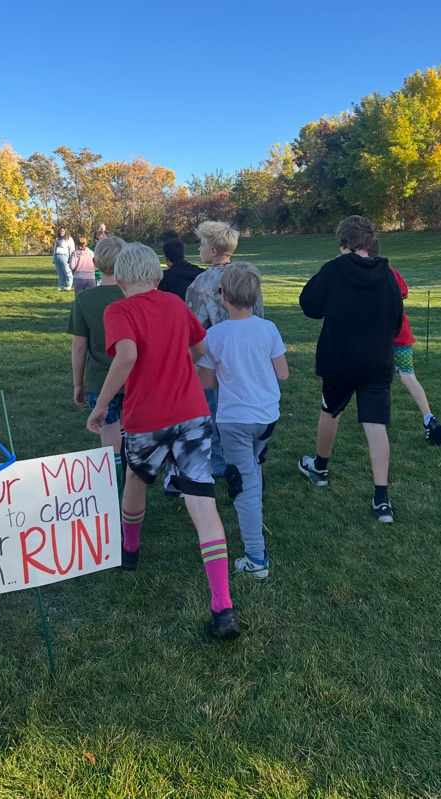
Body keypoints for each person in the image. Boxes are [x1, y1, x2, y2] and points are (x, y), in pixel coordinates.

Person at [87, 242, 240, 640]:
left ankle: (130, 552)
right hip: (192, 414)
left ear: (121, 280)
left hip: (146, 419)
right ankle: (222, 604)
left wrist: (101, 405)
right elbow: (200, 348)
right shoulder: (174, 303)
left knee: (135, 480)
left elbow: (126, 355)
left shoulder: (118, 310)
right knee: (202, 503)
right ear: (156, 276)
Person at [298, 215, 402, 523]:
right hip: (377, 360)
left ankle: (320, 467)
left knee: (330, 410)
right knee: (375, 423)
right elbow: (397, 320)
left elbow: (309, 304)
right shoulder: (387, 275)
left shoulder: (335, 269)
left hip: (340, 360)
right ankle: (381, 498)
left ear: (343, 241)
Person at [199, 263, 289, 580]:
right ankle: (255, 520)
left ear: (223, 295)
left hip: (235, 421)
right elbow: (282, 373)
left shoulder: (214, 335)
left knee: (244, 484)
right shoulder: (269, 329)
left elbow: (207, 382)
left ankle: (255, 558)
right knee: (252, 468)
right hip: (267, 417)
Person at [185, 221, 264, 478]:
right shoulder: (249, 275)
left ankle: (218, 461)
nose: (199, 249)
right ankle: (247, 457)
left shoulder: (202, 283)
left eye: (201, 244)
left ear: (213, 250)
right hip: (249, 357)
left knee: (215, 411)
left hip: (215, 360)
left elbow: (193, 328)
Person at [68, 236, 127, 500]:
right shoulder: (134, 296)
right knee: (131, 434)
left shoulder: (85, 300)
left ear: (96, 263)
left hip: (99, 382)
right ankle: (131, 488)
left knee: (109, 439)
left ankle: (113, 492)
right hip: (134, 379)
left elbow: (79, 347)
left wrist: (77, 383)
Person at [370, 239, 441, 445]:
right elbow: (404, 292)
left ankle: (375, 419)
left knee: (376, 378)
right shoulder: (391, 271)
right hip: (402, 334)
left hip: (380, 337)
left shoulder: (367, 275)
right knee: (409, 376)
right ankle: (429, 418)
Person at [52, 226, 75, 291]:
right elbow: (54, 249)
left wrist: (71, 259)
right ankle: (61, 285)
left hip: (64, 256)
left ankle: (69, 285)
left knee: (67, 271)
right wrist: (53, 258)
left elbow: (72, 249)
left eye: (63, 231)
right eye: (60, 231)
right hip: (57, 256)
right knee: (60, 273)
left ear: (65, 232)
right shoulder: (58, 239)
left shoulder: (69, 239)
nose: (61, 232)